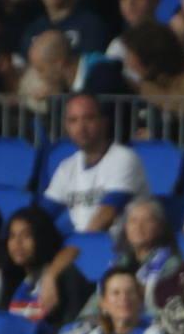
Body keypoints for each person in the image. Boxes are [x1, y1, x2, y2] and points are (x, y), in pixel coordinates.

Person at [43, 93, 150, 233]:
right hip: (85, 244)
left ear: (104, 122)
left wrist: (79, 246)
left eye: (89, 118)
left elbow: (107, 215)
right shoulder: (67, 167)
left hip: (121, 247)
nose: (81, 127)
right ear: (66, 126)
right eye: (73, 120)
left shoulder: (124, 158)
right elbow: (42, 215)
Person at [57, 268, 166, 334]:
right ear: (103, 303)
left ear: (139, 300)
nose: (124, 298)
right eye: (116, 293)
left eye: (130, 292)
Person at [3, 205, 93, 328]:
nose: (17, 243)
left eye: (26, 235)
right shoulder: (10, 277)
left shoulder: (64, 277)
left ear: (42, 238)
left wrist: (50, 276)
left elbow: (72, 249)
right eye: (12, 236)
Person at [112, 196, 181, 313]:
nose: (139, 227)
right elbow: (99, 299)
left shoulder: (172, 264)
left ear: (160, 227)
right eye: (133, 220)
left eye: (147, 220)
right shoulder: (119, 262)